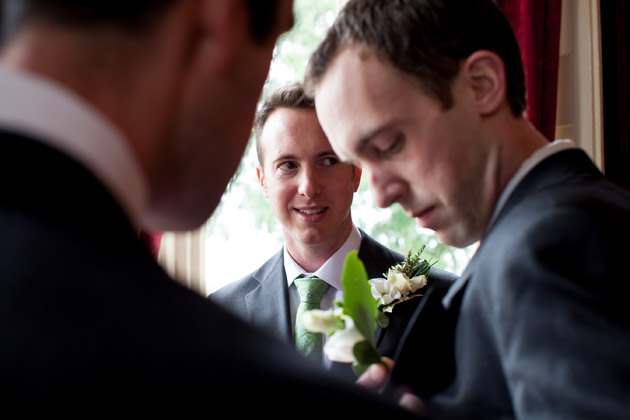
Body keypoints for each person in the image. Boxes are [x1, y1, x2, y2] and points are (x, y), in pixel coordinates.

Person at [0, 1, 419, 416]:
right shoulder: (199, 364)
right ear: (225, 20)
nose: (307, 186)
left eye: (327, 160)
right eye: (275, 43)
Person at [304, 0, 630, 418]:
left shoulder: (546, 247)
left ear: (481, 84)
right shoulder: (584, 217)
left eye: (389, 145)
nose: (380, 196)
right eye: (361, 163)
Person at [210, 82, 457, 381]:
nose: (309, 187)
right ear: (263, 181)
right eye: (288, 165)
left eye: (327, 161)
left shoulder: (442, 299)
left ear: (356, 173)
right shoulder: (220, 316)